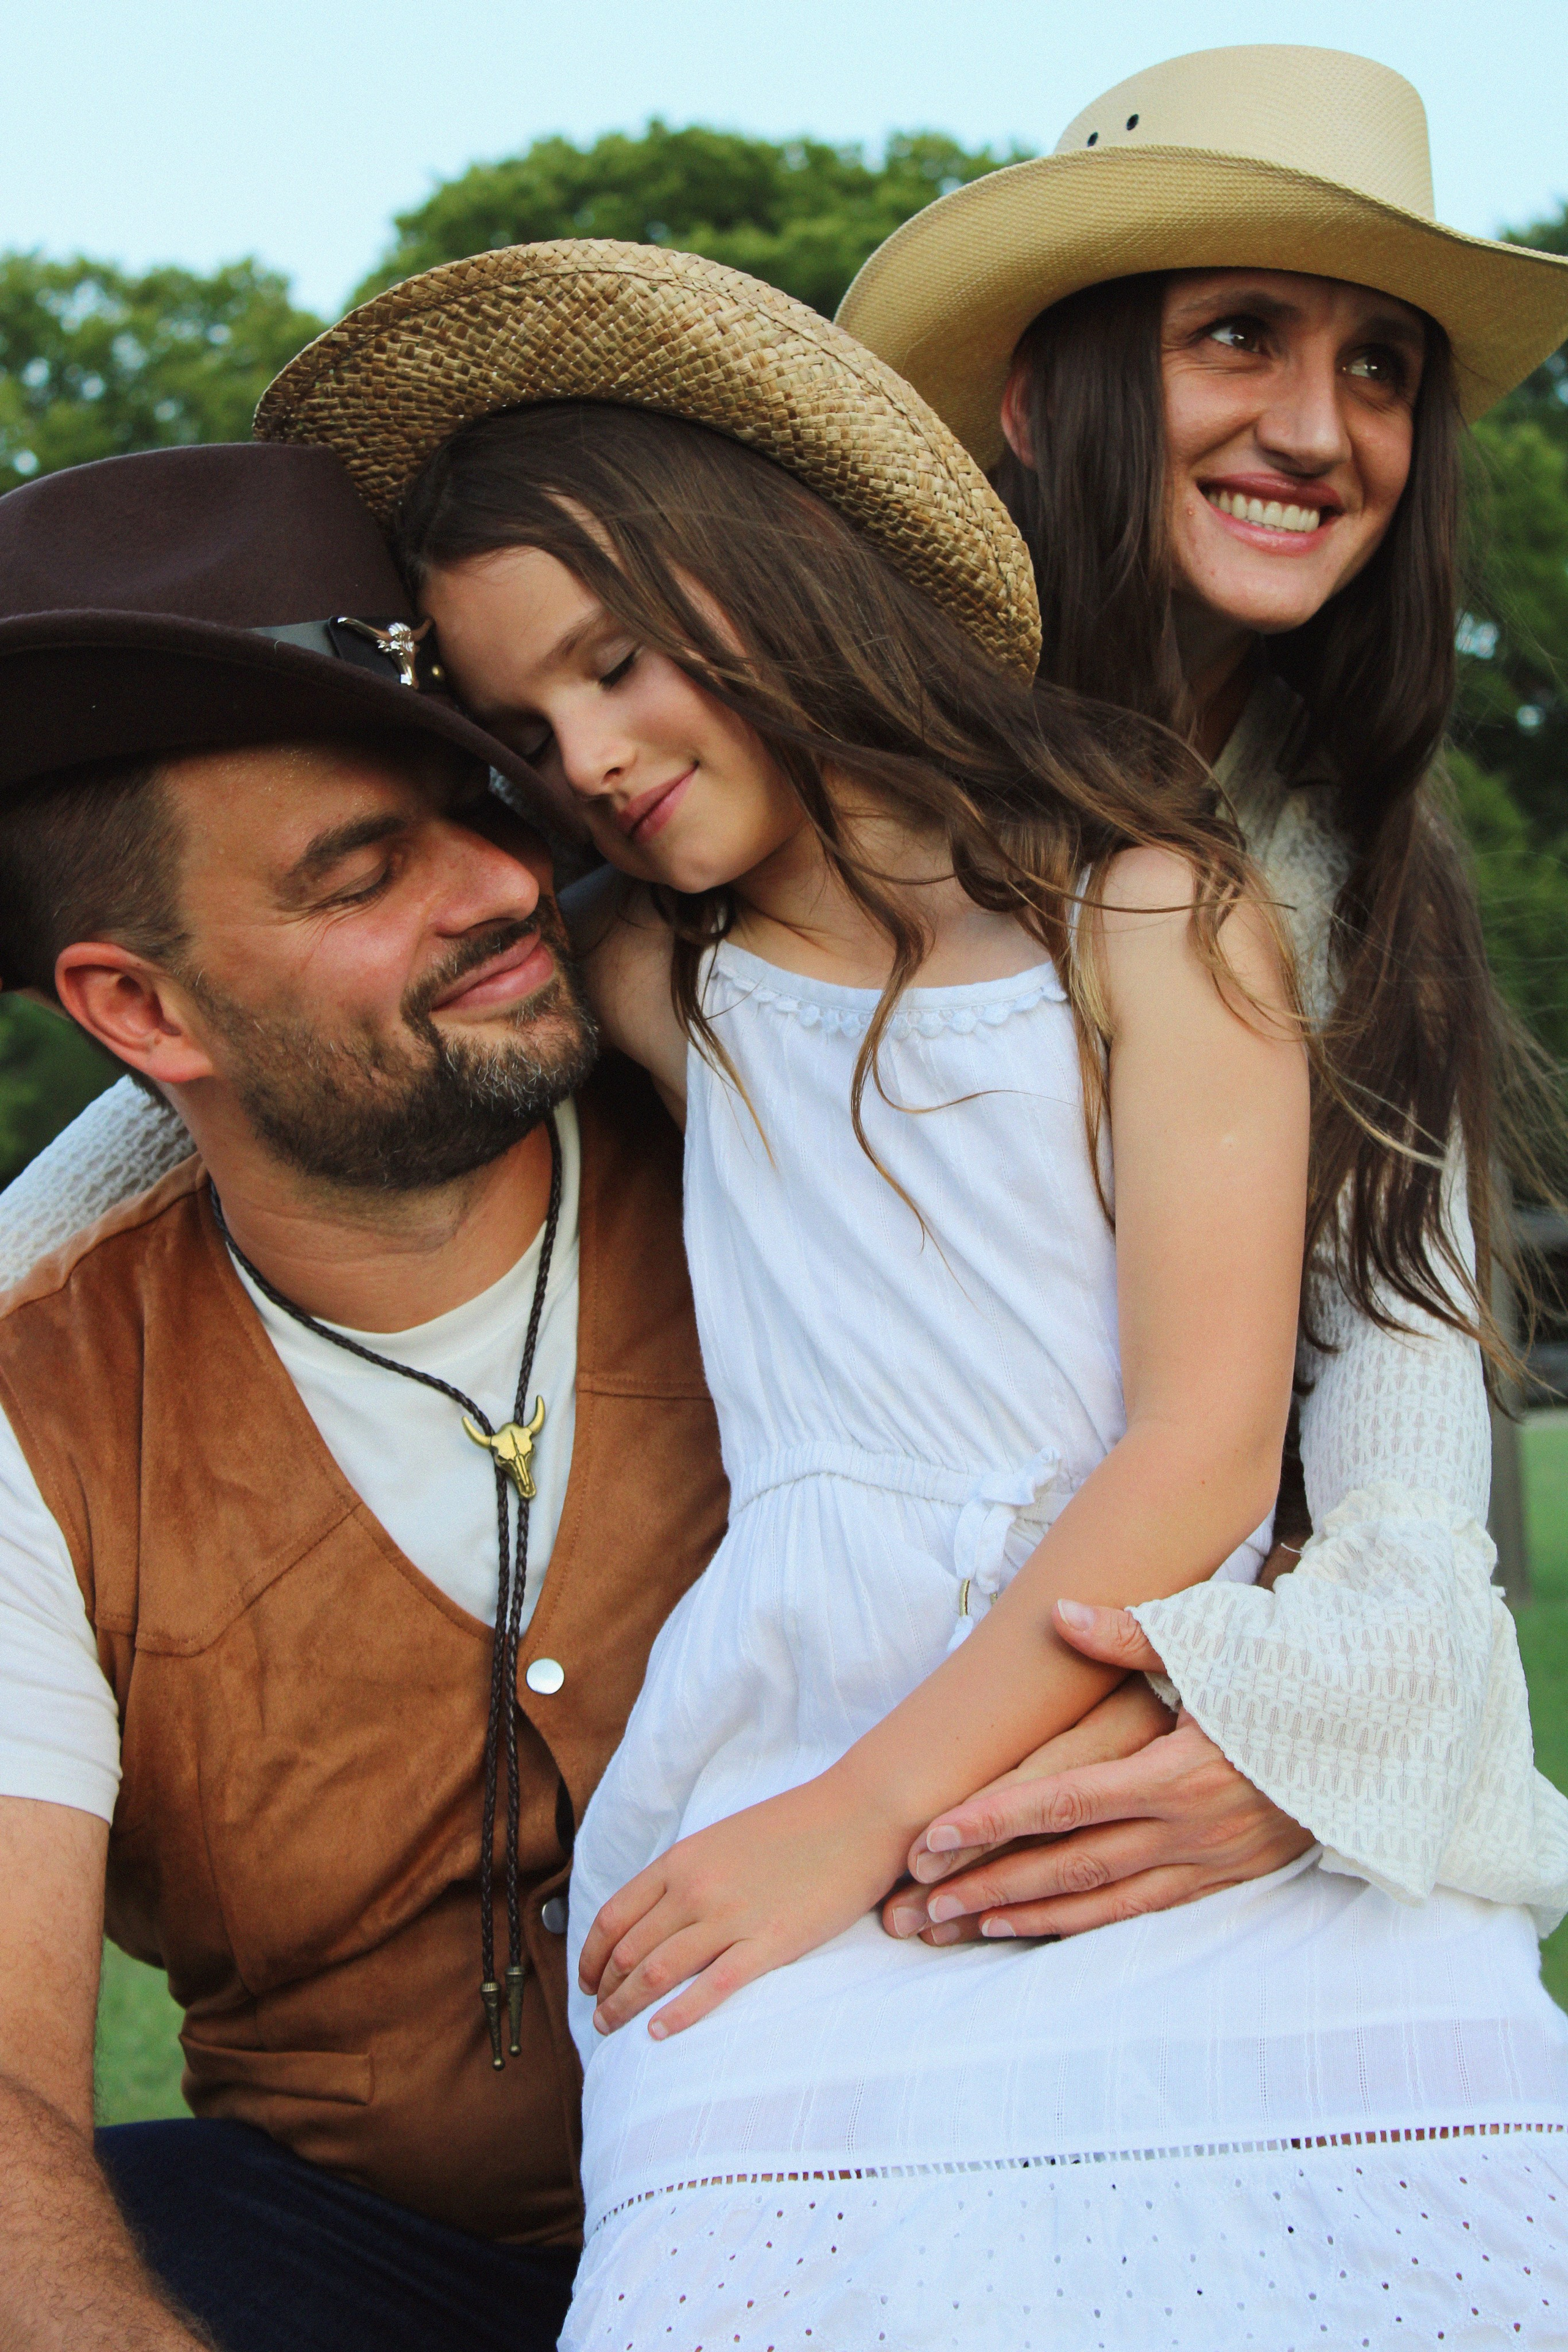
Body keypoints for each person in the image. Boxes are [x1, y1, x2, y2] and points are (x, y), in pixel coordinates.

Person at [254, 243, 1568, 2346]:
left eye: (620, 665)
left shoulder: (1163, 905)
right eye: (521, 723)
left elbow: (1206, 1439)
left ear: (776, 579)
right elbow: (293, 1020)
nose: (584, 754)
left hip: (1122, 1651)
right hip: (798, 1698)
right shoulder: (647, 964)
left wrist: (866, 1819)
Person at [835, 40, 1568, 1948]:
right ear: (1041, 393)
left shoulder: (1361, 874)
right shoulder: (840, 767)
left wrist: (1292, 1743)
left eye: (1381, 367)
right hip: (812, 1649)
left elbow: (1410, 1408)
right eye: (1239, 336)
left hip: (1160, 1674)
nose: (1323, 432)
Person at [0, 439, 729, 2352]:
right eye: (361, 870)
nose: (509, 883)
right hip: (358, 2261)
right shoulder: (36, 1402)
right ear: (139, 1013)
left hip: (864, 2173)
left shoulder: (767, 1132)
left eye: (477, 802)